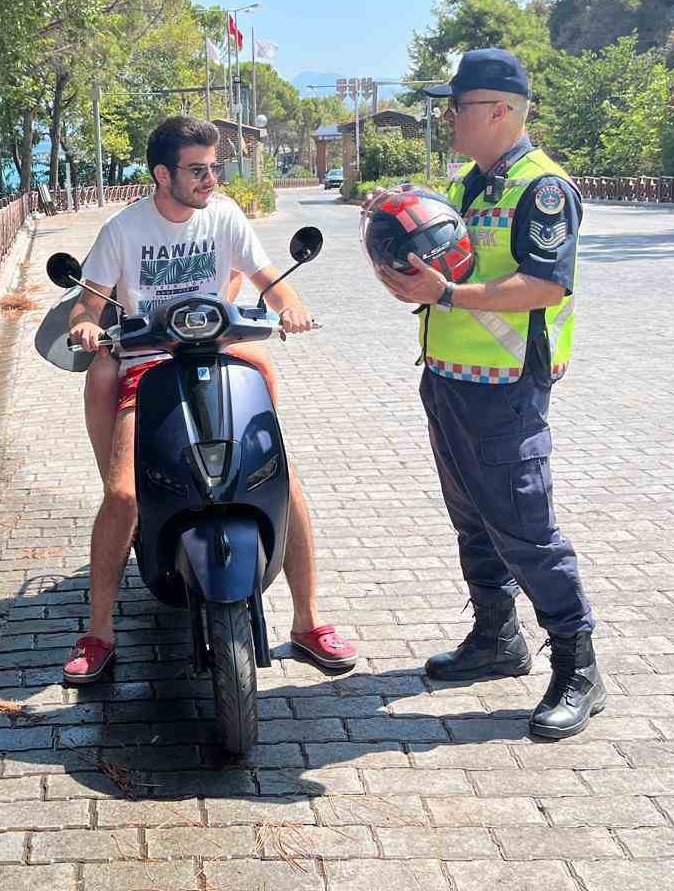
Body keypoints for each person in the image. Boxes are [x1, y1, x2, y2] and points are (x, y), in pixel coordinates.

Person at [62, 116, 357, 684]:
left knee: (284, 481)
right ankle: (99, 631)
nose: (211, 181)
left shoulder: (224, 216)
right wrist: (85, 329)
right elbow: (87, 305)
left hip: (222, 355)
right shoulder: (123, 231)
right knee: (123, 492)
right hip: (147, 364)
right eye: (199, 171)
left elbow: (269, 278)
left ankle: (307, 619)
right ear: (162, 173)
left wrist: (290, 306)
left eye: (215, 169)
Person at [367, 48, 604, 740]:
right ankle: (498, 638)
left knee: (525, 527)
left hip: (506, 389)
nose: (449, 119)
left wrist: (446, 292)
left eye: (459, 107)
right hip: (447, 378)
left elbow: (544, 285)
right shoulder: (469, 186)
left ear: (499, 111)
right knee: (472, 518)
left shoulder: (544, 189)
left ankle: (579, 665)